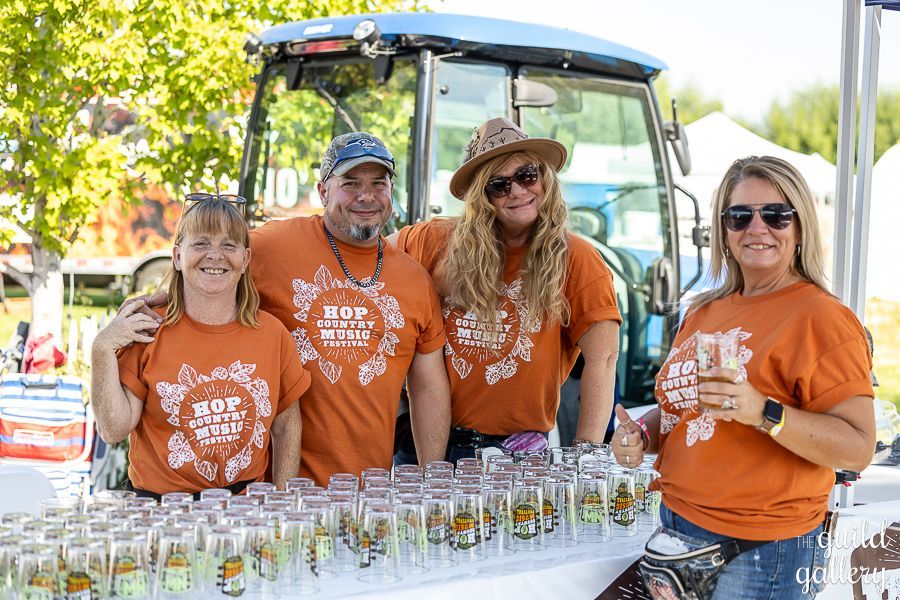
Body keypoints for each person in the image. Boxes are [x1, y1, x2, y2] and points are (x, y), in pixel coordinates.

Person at [612, 156, 876, 599]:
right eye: (740, 216)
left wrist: (764, 412)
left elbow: (858, 447)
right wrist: (641, 434)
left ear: (799, 228)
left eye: (776, 215)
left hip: (762, 551)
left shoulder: (823, 318)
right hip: (676, 531)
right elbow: (686, 412)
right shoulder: (703, 310)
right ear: (724, 231)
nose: (757, 228)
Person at [388, 117, 622, 462]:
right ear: (481, 196)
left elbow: (603, 360)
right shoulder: (432, 241)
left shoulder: (577, 258)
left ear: (544, 177)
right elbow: (367, 263)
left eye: (527, 175)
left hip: (517, 455)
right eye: (499, 185)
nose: (517, 191)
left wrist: (585, 458)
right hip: (426, 444)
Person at [248, 132, 451, 485]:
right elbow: (205, 262)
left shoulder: (415, 280)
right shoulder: (272, 246)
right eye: (351, 182)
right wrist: (141, 313)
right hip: (277, 492)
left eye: (379, 182)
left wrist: (430, 481)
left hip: (365, 494)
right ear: (323, 191)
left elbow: (428, 388)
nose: (366, 195)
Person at [92, 194, 310, 498]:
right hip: (163, 515)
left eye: (228, 245)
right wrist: (102, 348)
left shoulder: (272, 335)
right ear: (178, 256)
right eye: (201, 244)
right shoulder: (150, 330)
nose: (215, 255)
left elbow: (286, 426)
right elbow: (113, 429)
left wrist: (282, 505)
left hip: (242, 517)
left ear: (245, 259)